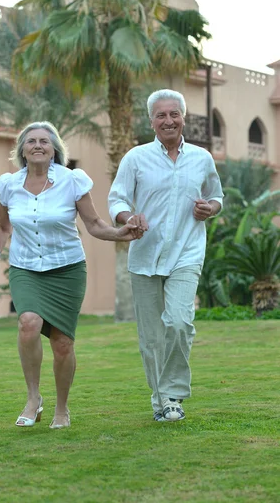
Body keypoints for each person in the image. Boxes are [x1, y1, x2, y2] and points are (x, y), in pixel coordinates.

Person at [0, 121, 145, 429]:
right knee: (28, 323)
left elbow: (94, 224)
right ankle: (33, 398)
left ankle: (62, 409)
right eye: (31, 141)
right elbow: (3, 227)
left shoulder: (72, 181)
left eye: (45, 140)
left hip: (67, 269)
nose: (38, 145)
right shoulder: (8, 185)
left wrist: (121, 233)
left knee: (62, 345)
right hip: (26, 267)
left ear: (55, 148)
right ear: (22, 150)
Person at [108, 89, 224, 422]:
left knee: (178, 321)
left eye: (174, 114)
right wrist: (127, 218)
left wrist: (210, 208)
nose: (168, 120)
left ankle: (173, 393)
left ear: (183, 118)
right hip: (145, 256)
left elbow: (216, 195)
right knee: (151, 335)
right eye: (161, 115)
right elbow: (117, 199)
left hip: (187, 253)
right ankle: (161, 400)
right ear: (152, 121)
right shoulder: (135, 158)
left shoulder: (201, 158)